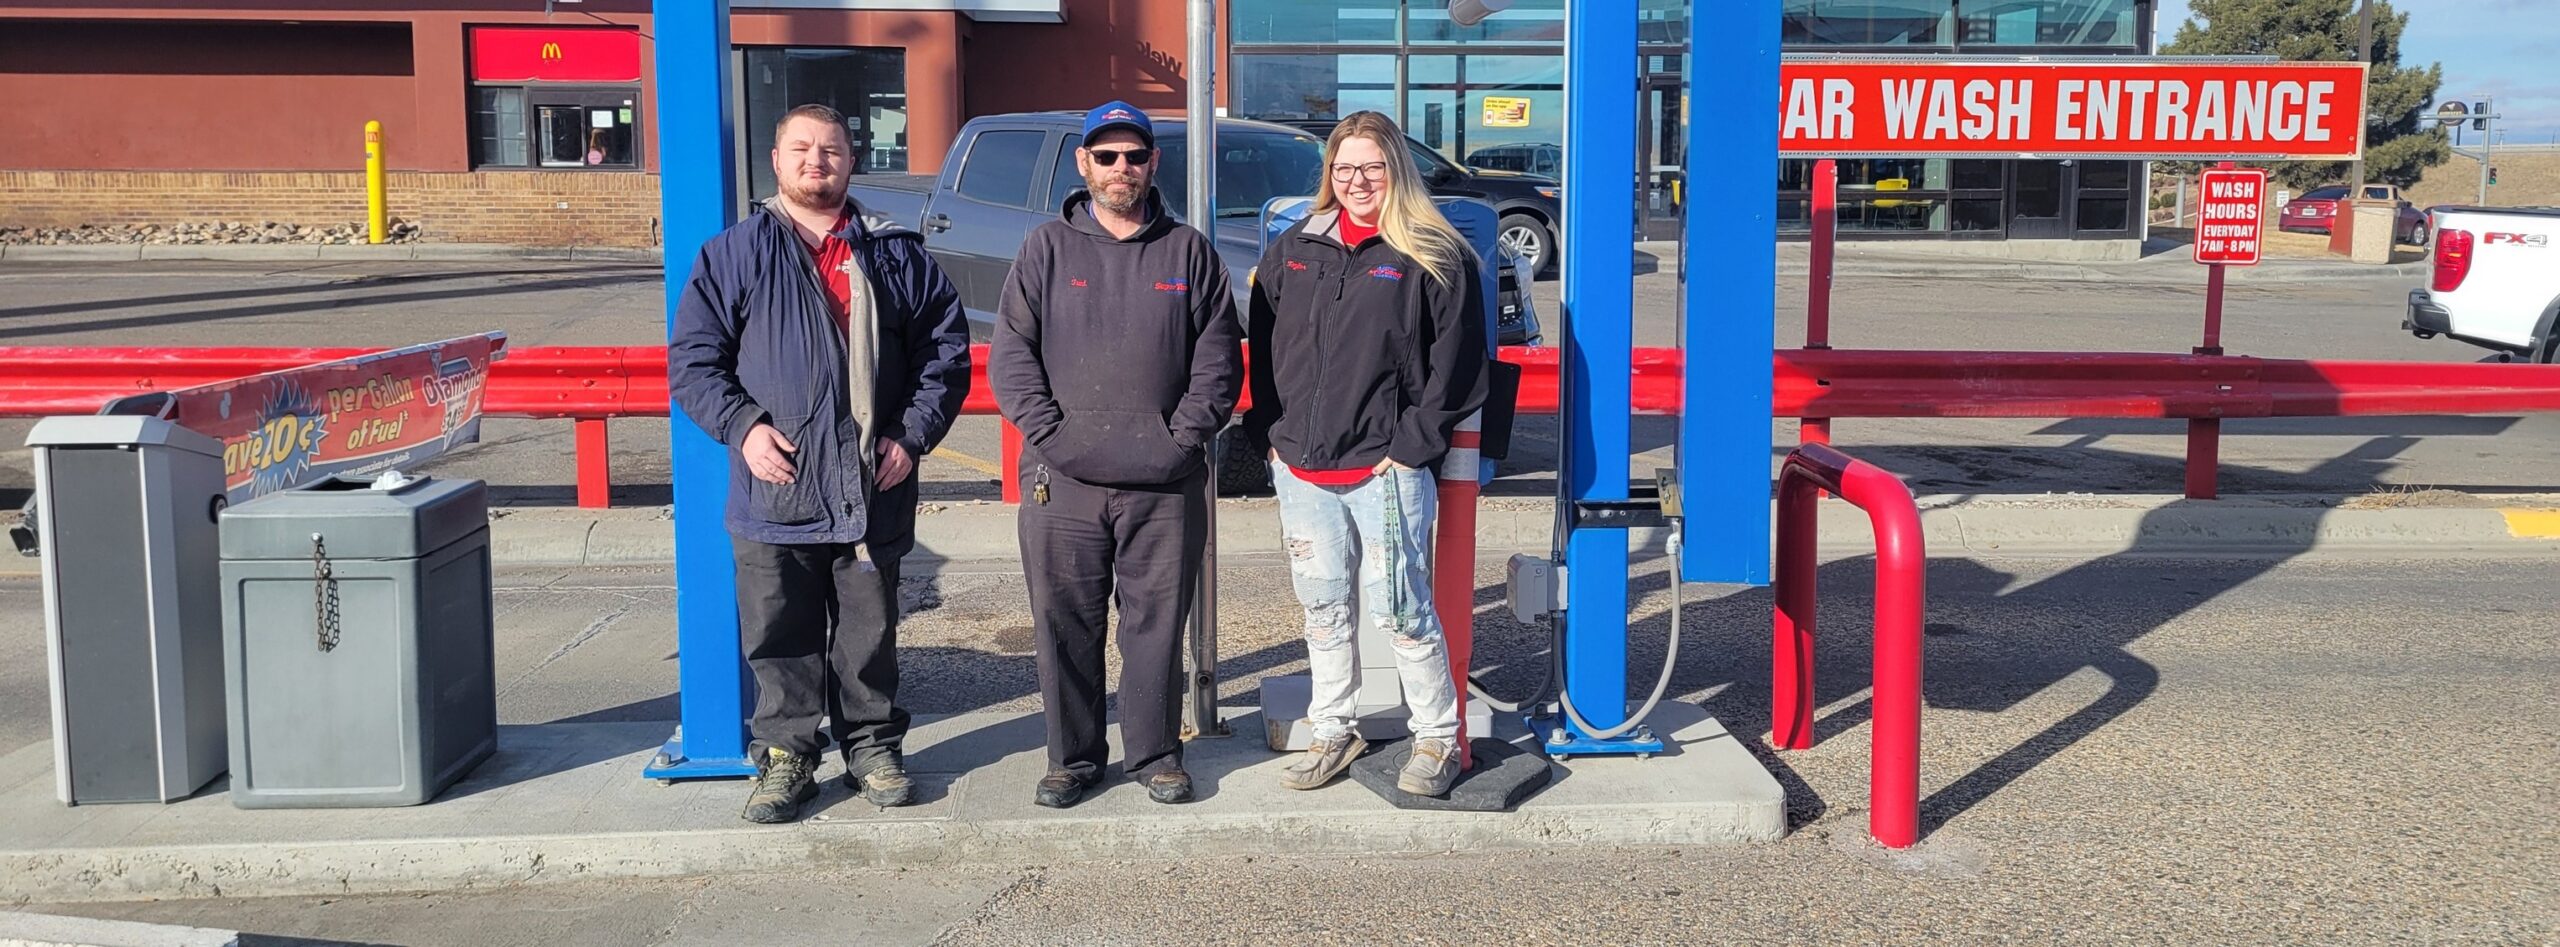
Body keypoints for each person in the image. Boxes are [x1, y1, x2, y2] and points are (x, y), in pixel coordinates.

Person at [669, 103, 971, 824]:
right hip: (776, 489)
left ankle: (870, 744)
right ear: (776, 161)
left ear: (851, 160)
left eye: (830, 149)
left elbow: (945, 354)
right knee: (780, 631)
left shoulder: (894, 253)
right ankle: (787, 756)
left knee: (868, 631)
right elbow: (694, 362)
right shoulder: (734, 254)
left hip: (872, 482)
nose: (816, 161)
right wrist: (743, 427)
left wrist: (911, 434)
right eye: (801, 149)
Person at [992, 101, 1244, 809]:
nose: (1121, 168)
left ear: (1152, 163)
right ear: (1084, 165)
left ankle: (1156, 753)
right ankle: (1072, 757)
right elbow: (1013, 361)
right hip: (1062, 481)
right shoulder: (1045, 248)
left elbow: (1218, 363)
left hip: (1164, 482)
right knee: (1065, 622)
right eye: (1106, 157)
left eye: (1134, 155)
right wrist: (1062, 441)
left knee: (1155, 625)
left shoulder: (1188, 252)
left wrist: (1179, 441)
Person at [1245, 110, 1488, 798]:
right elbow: (1262, 343)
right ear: (1329, 174)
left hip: (1384, 467)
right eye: (1344, 168)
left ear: (1396, 172)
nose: (1357, 181)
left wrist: (1410, 446)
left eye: (1372, 167)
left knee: (1402, 610)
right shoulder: (1296, 246)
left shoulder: (1431, 253)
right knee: (1323, 606)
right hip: (1302, 466)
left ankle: (1438, 736)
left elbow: (1459, 368)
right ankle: (1334, 728)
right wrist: (1272, 430)